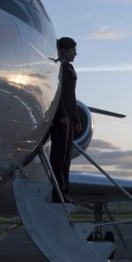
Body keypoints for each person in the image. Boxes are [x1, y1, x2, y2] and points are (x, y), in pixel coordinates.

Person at [49, 36, 82, 200]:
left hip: (69, 118)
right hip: (61, 119)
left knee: (67, 157)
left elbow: (71, 95)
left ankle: (65, 191)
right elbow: (58, 92)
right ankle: (58, 192)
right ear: (63, 50)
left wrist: (76, 119)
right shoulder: (59, 68)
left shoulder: (69, 68)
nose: (75, 54)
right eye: (72, 50)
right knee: (59, 157)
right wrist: (62, 114)